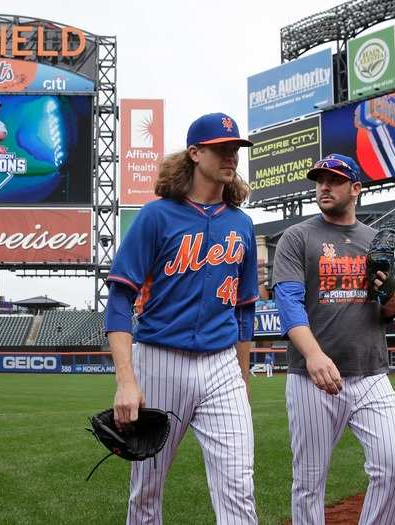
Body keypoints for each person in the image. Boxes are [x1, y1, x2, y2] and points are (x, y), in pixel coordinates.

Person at [104, 112, 259, 525]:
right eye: (221, 148)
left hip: (222, 364)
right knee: (147, 488)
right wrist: (126, 381)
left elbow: (245, 311)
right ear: (195, 153)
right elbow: (120, 299)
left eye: (235, 149)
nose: (231, 156)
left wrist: (242, 380)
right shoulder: (157, 216)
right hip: (159, 359)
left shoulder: (241, 225)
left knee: (239, 487)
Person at [272, 153, 395, 525]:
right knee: (309, 483)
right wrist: (313, 355)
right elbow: (288, 303)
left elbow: (390, 310)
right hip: (312, 378)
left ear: (356, 189)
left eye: (334, 180)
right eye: (320, 180)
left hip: (371, 373)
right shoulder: (297, 237)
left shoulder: (374, 241)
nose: (324, 186)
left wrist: (391, 291)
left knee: (392, 467)